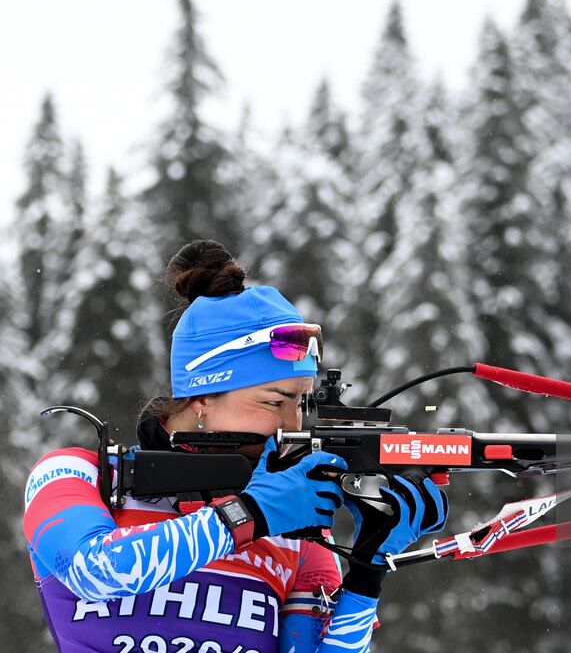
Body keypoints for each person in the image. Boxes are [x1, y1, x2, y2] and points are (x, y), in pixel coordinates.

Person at [23, 239, 448, 653]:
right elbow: (96, 570)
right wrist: (251, 514)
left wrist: (367, 571)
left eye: (300, 402)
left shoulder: (298, 532)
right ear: (202, 396)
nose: (291, 423)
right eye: (273, 401)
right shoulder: (79, 474)